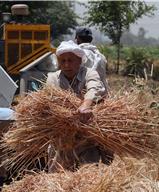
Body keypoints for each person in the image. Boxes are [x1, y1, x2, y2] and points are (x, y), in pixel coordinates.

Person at [46, 40, 111, 172]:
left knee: (88, 176)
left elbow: (95, 88)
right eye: (62, 61)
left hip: (87, 137)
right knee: (57, 177)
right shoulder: (53, 78)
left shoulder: (90, 73)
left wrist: (86, 105)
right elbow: (53, 100)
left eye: (70, 60)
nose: (66, 65)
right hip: (62, 138)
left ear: (79, 61)